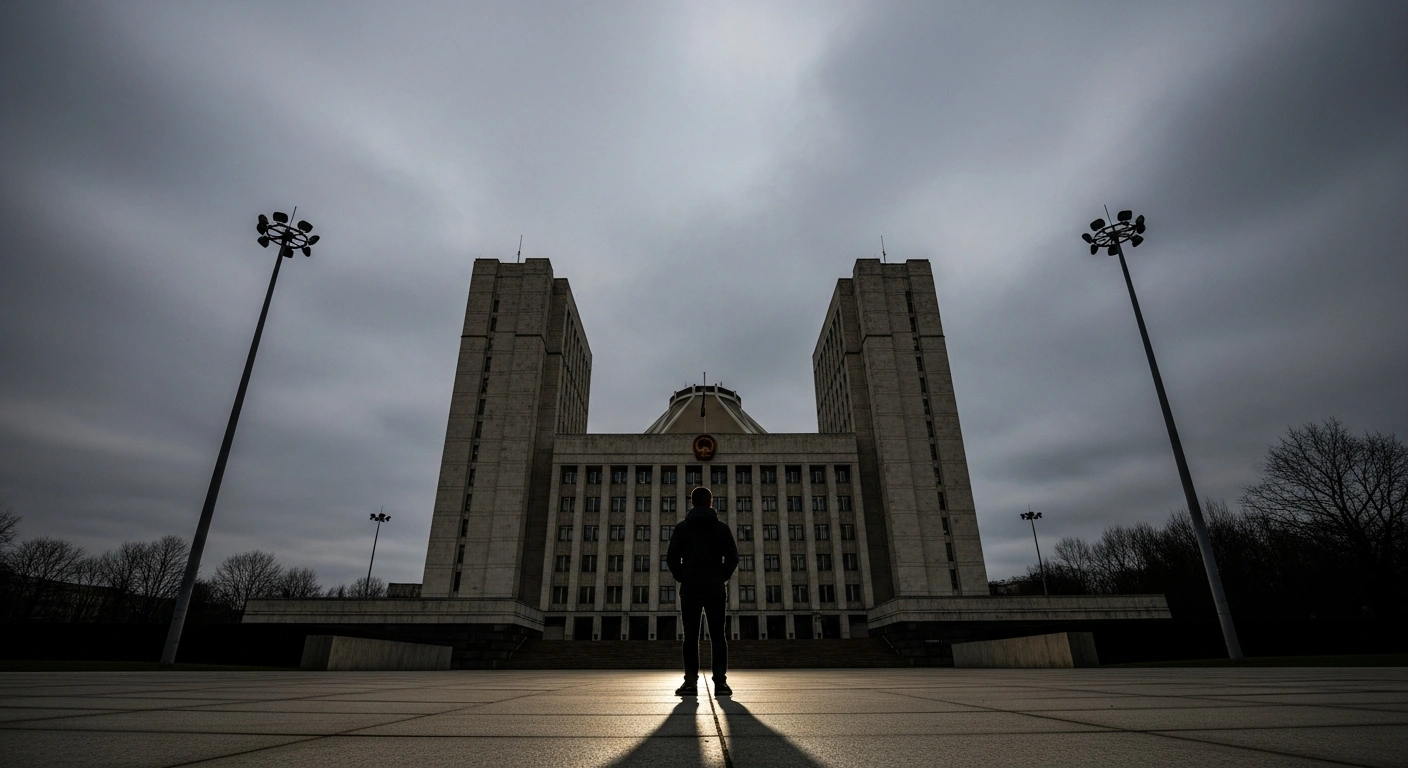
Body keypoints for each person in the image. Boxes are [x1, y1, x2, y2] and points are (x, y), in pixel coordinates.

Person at [666, 485, 739, 697]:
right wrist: (720, 576)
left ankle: (690, 683)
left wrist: (683, 576)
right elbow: (733, 557)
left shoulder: (682, 528)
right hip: (715, 588)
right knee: (718, 636)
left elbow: (672, 558)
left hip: (690, 588)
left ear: (692, 503)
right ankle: (720, 684)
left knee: (690, 637)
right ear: (710, 503)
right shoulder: (721, 528)